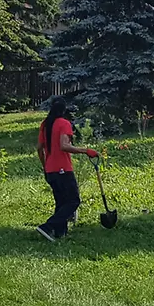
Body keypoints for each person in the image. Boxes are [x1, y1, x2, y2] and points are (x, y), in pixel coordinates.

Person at [35, 98, 98, 242]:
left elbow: (39, 148)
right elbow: (64, 145)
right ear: (64, 110)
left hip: (50, 169)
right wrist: (85, 150)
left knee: (61, 202)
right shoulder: (64, 123)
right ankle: (47, 227)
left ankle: (60, 233)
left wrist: (45, 165)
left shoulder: (45, 125)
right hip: (63, 168)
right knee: (73, 201)